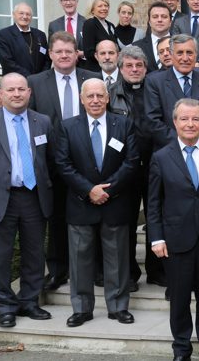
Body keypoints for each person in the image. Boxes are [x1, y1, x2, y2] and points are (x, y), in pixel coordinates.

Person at [0, 73, 54, 328]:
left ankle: (29, 302)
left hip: (34, 197)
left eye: (21, 89)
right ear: (0, 94)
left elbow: (50, 161)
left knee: (34, 253)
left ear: (29, 93)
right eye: (11, 90)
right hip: (2, 198)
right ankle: (5, 305)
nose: (17, 94)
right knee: (0, 256)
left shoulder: (42, 122)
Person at [147, 98, 199, 361]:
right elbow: (153, 203)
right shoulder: (161, 157)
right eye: (184, 118)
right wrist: (156, 238)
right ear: (175, 122)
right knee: (180, 298)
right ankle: (181, 348)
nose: (190, 124)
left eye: (195, 118)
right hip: (176, 240)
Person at [54, 78, 138, 327]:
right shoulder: (67, 127)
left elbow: (132, 161)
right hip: (81, 204)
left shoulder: (124, 124)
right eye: (90, 96)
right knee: (80, 262)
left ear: (108, 97)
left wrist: (107, 191)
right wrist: (89, 190)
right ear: (82, 99)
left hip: (115, 202)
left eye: (100, 95)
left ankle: (118, 307)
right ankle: (81, 309)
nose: (95, 100)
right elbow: (62, 164)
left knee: (118, 260)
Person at [27, 31, 99, 291]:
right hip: (51, 164)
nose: (64, 56)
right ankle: (58, 270)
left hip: (87, 162)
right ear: (51, 54)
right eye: (59, 51)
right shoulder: (34, 82)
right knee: (56, 218)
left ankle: (93, 270)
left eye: (69, 51)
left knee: (91, 217)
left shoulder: (92, 79)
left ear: (77, 53)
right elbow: (31, 122)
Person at [107, 46, 156, 290]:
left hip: (154, 165)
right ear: (120, 67)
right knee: (125, 221)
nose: (134, 70)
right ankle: (128, 274)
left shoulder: (156, 90)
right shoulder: (110, 93)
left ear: (146, 68)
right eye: (129, 65)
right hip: (124, 166)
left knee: (156, 217)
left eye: (139, 65)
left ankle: (157, 270)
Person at [144, 34, 199, 150]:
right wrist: (182, 145)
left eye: (189, 53)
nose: (185, 58)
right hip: (169, 152)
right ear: (171, 55)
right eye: (180, 53)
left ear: (196, 55)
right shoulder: (154, 82)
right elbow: (153, 121)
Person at [0, 3, 51, 76]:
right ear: (14, 15)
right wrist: (29, 77)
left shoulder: (40, 35)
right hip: (16, 82)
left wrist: (40, 77)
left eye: (28, 14)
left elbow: (47, 60)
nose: (25, 17)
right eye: (21, 13)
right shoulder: (4, 34)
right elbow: (6, 61)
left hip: (39, 82)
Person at [132, 2, 173, 71]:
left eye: (164, 16)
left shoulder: (181, 44)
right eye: (155, 17)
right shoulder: (136, 47)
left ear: (170, 22)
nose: (159, 20)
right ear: (149, 22)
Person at [81, 0, 118, 70]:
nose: (104, 8)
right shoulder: (90, 24)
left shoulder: (111, 25)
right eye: (100, 6)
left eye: (106, 5)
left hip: (111, 68)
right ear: (92, 9)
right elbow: (88, 52)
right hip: (96, 70)